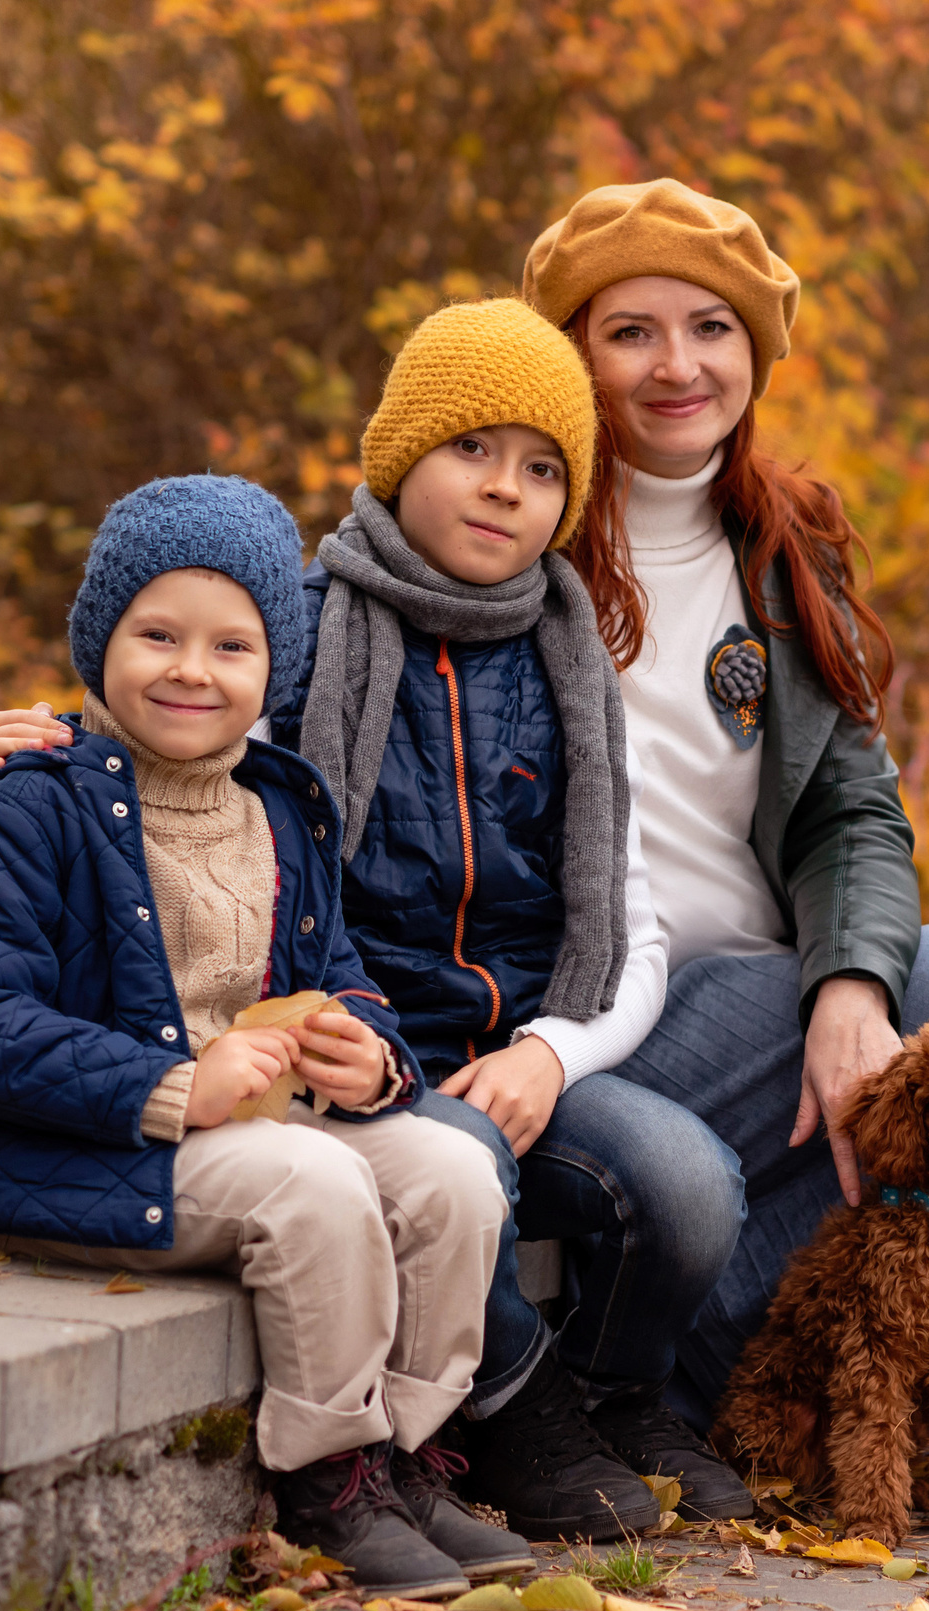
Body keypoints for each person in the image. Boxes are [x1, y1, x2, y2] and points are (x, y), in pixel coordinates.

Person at [0, 183, 929, 1451]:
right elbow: (233, 684)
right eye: (629, 330)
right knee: (688, 1153)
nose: (675, 364)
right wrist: (66, 743)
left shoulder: (781, 545)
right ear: (568, 358)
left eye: (710, 329)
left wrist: (854, 981)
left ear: (754, 355)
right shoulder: (503, 542)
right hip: (557, 1005)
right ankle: (646, 1398)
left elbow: (849, 807)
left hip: (742, 987)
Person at [0, 473, 523, 1596]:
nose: (191, 670)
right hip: (92, 1144)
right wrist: (174, 1085)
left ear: (273, 671)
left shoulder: (279, 805)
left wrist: (368, 1053)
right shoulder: (33, 799)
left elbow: (341, 976)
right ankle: (328, 1477)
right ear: (100, 641)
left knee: (447, 1167)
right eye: (157, 634)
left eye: (231, 647)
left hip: (258, 1121)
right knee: (312, 1184)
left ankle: (413, 1453)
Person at [267, 298, 753, 1537]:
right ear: (400, 457)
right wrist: (50, 745)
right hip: (366, 1048)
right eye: (470, 449)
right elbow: (168, 715)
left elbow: (631, 932)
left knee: (689, 1186)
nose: (504, 491)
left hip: (521, 1049)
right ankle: (515, 1410)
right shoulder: (304, 630)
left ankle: (615, 1393)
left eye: (543, 469)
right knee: (462, 1163)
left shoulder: (569, 661)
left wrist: (552, 1053)